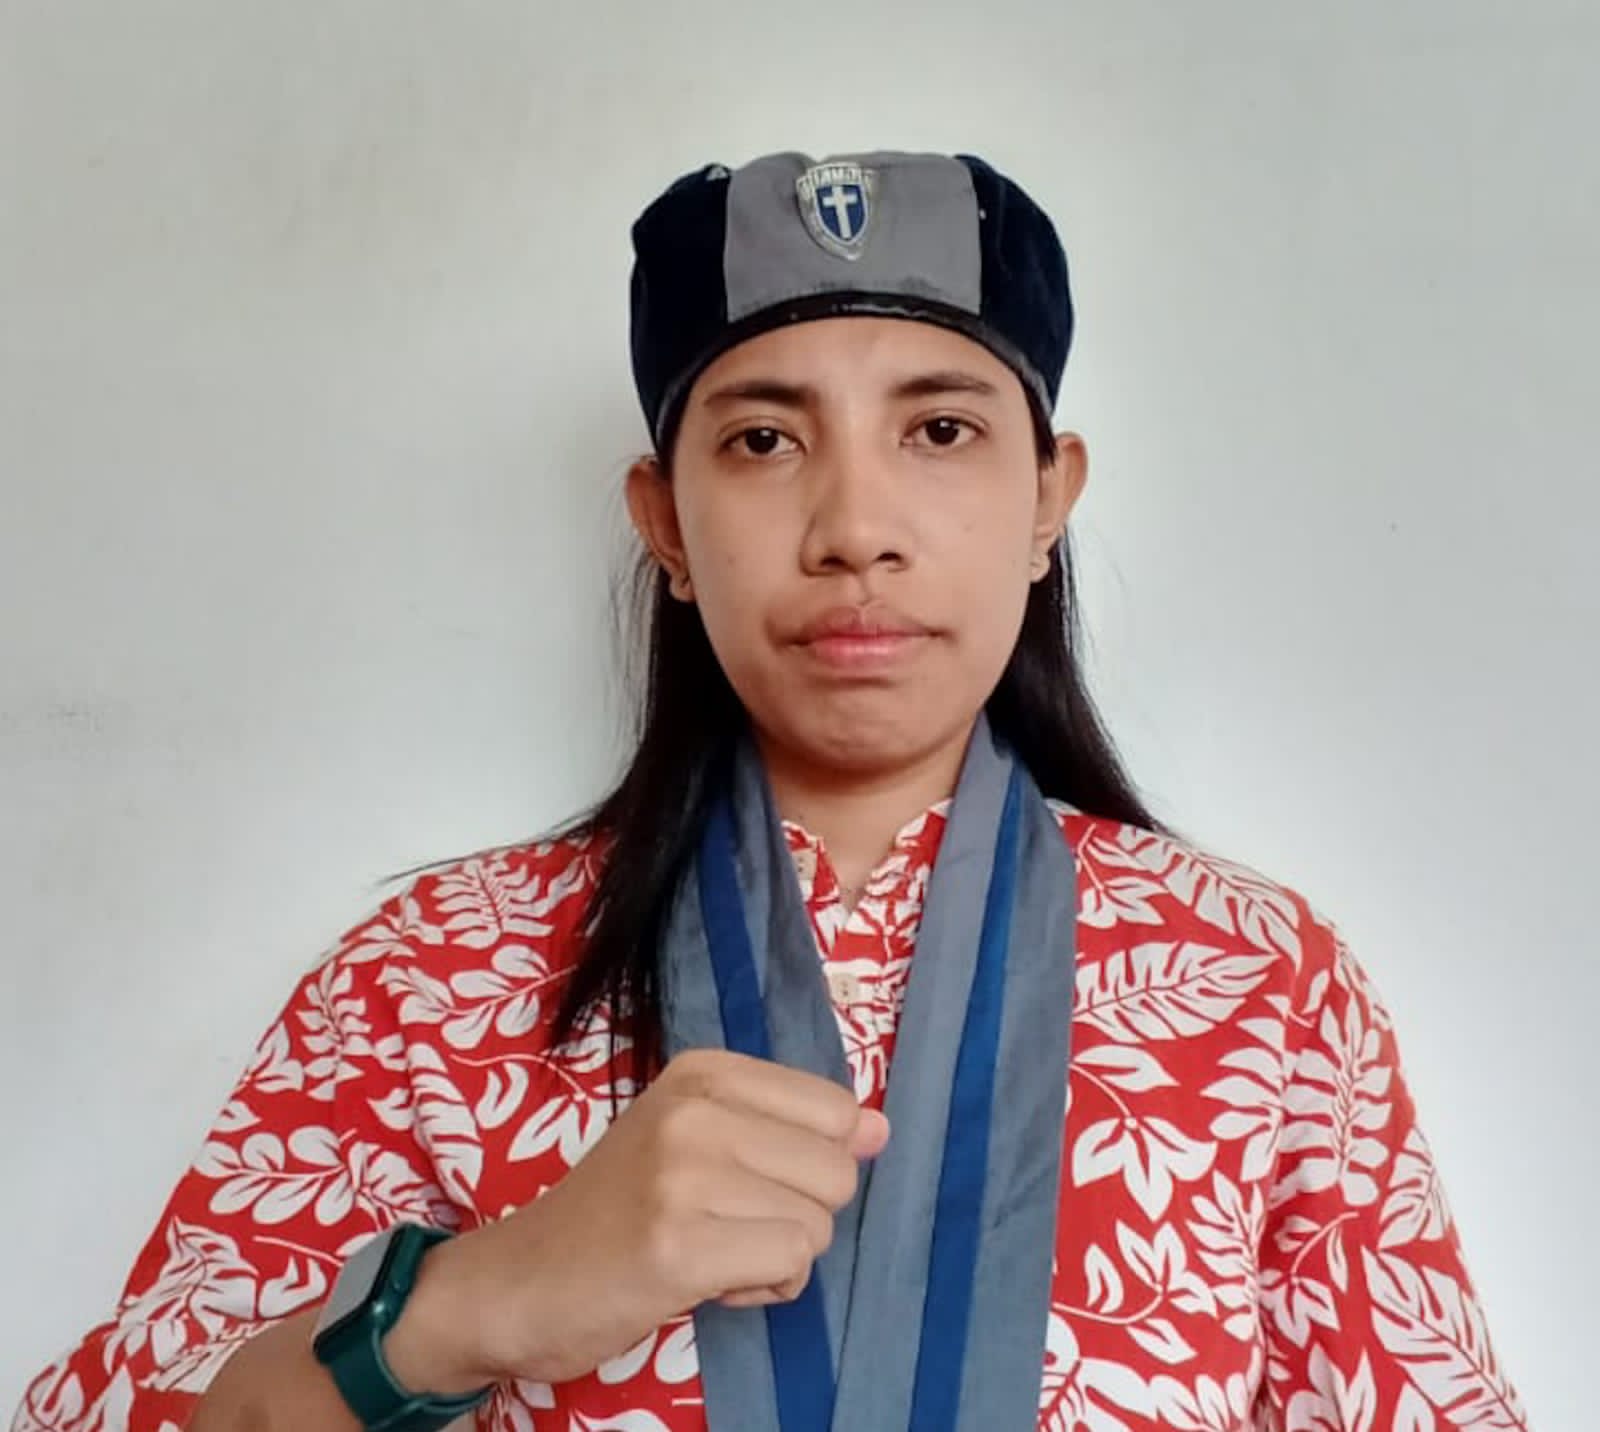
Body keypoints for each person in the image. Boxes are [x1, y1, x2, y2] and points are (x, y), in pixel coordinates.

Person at [11, 149, 1528, 1432]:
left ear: (1047, 500)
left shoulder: (1260, 983)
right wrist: (470, 1304)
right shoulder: (430, 978)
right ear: (665, 522)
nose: (855, 525)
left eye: (940, 430)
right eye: (762, 439)